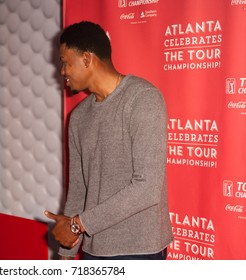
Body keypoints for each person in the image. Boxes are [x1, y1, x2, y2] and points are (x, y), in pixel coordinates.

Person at [45, 21, 173, 260]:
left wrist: (78, 224)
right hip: (95, 249)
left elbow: (147, 189)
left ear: (86, 58)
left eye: (65, 61)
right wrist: (66, 253)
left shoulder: (143, 99)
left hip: (140, 250)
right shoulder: (78, 117)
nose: (62, 71)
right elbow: (78, 189)